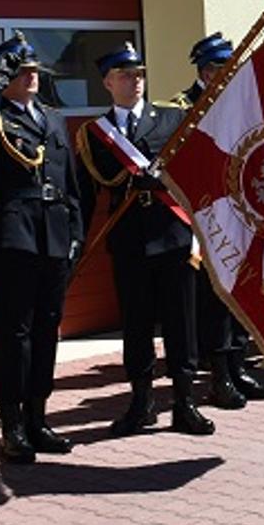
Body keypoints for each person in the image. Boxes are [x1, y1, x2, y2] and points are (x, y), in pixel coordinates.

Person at [75, 43, 218, 437]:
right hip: (130, 240)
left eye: (139, 74)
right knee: (136, 325)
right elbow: (88, 191)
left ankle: (185, 402)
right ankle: (141, 403)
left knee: (180, 323)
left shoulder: (172, 118)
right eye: (125, 75)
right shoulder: (96, 133)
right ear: (107, 82)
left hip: (173, 236)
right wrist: (77, 239)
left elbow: (197, 170)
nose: (135, 81)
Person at [0, 31, 84, 463]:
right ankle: (12, 421)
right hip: (14, 234)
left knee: (47, 328)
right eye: (21, 71)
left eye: (33, 70)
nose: (31, 77)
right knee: (15, 331)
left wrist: (76, 232)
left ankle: (37, 417)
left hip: (54, 232)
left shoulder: (52, 118)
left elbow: (69, 181)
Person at [176, 33, 264, 407]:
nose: (233, 76)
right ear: (207, 72)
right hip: (207, 218)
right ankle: (220, 377)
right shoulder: (183, 109)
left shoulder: (237, 106)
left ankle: (238, 367)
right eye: (225, 69)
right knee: (215, 301)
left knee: (241, 292)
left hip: (238, 215)